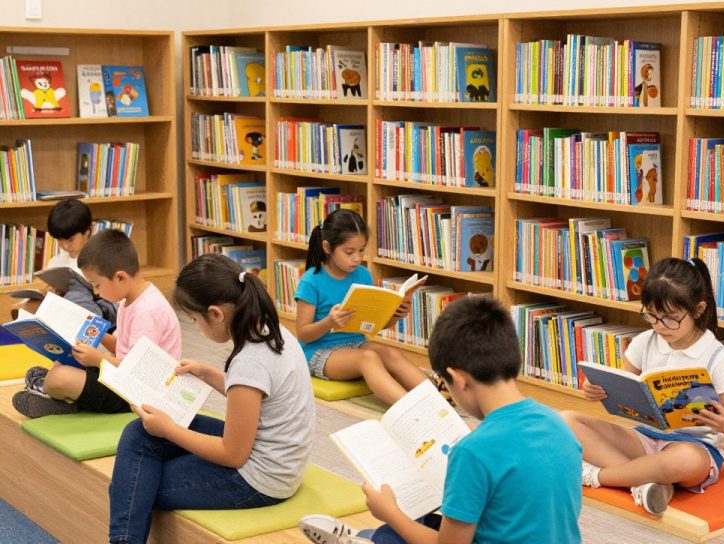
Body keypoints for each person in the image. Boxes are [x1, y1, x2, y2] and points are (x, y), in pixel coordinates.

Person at [300, 295, 583, 544]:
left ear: (458, 379)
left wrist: (390, 513)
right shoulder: (559, 425)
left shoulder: (474, 451)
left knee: (397, 529)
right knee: (426, 522)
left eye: (445, 385)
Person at [109, 254, 315, 544]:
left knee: (134, 484)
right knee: (138, 435)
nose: (195, 325)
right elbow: (256, 395)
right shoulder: (271, 329)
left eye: (194, 319)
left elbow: (233, 454)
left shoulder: (250, 360)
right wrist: (208, 373)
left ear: (216, 314)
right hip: (274, 454)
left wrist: (169, 429)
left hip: (260, 479)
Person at [563, 257, 724, 516]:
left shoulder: (717, 357)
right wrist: (595, 389)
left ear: (697, 310)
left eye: (671, 319)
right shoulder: (645, 341)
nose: (660, 326)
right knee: (566, 420)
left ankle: (599, 476)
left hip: (693, 447)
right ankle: (647, 481)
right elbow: (618, 383)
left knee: (682, 461)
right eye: (652, 316)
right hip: (645, 437)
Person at [12, 229, 182, 418]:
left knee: (60, 377)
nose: (97, 293)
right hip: (123, 378)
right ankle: (57, 392)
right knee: (60, 366)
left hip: (138, 393)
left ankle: (64, 401)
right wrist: (91, 334)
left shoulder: (147, 312)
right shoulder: (131, 301)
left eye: (97, 285)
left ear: (120, 277)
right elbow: (123, 347)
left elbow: (137, 371)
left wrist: (97, 359)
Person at [294, 208, 427, 405]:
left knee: (391, 354)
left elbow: (374, 325)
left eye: (362, 250)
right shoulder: (311, 281)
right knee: (368, 358)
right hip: (320, 352)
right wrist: (328, 322)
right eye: (349, 252)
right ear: (327, 247)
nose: (357, 258)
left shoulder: (363, 275)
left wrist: (396, 315)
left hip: (356, 344)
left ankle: (438, 401)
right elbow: (303, 334)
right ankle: (410, 410)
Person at [13, 198, 117, 321]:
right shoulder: (56, 262)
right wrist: (50, 293)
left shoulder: (102, 258)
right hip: (63, 310)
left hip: (92, 311)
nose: (65, 246)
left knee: (76, 297)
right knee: (25, 306)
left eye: (70, 240)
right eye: (59, 240)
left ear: (87, 232)